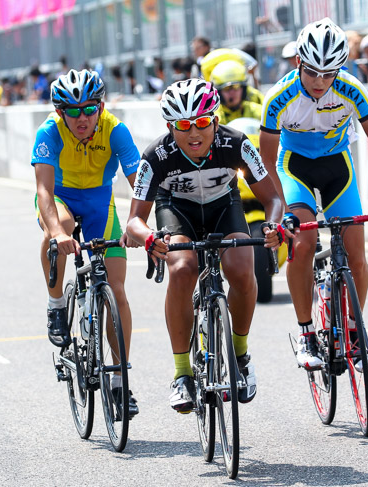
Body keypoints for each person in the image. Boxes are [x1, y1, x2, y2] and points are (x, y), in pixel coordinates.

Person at [126, 79, 284, 413]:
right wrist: (150, 237)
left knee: (242, 267)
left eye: (201, 122)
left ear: (214, 119)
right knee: (183, 269)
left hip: (224, 207)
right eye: (183, 126)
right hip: (176, 210)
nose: (194, 133)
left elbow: (272, 198)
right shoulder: (155, 156)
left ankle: (240, 354)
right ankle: (182, 374)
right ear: (170, 127)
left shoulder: (237, 144)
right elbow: (134, 221)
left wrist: (273, 225)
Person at [260, 18, 368, 371]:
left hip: (338, 165)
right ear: (298, 64)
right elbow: (265, 162)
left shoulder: (352, 89)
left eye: (329, 73)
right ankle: (306, 333)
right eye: (312, 72)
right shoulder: (279, 97)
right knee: (303, 242)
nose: (321, 81)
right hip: (294, 168)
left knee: (356, 252)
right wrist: (280, 214)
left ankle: (353, 330)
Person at [31, 69, 141, 416]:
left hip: (98, 202)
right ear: (60, 112)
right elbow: (44, 191)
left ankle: (120, 377)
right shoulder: (49, 132)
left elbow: (140, 185)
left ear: (101, 106)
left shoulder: (115, 130)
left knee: (117, 290)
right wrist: (59, 233)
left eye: (89, 109)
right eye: (72, 111)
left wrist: (142, 226)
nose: (82, 118)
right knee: (59, 226)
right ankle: (55, 302)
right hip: (60, 199)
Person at [211, 60, 263, 124]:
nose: (232, 92)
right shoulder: (215, 118)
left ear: (244, 89)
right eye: (226, 88)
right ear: (219, 93)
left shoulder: (258, 111)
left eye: (236, 86)